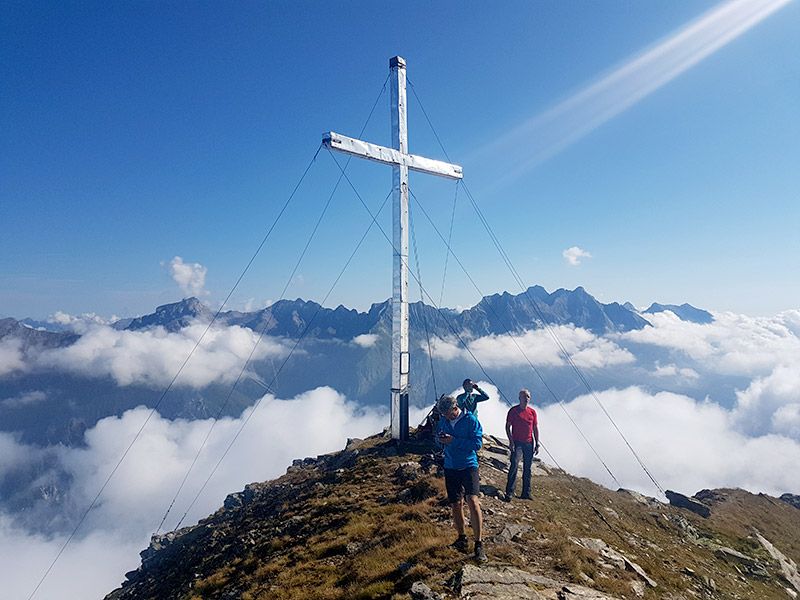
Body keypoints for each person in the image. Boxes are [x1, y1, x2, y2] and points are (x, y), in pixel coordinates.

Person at [435, 394, 487, 563]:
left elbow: (477, 444)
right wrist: (441, 439)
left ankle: (479, 544)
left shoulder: (470, 420)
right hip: (450, 466)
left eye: (447, 413)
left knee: (472, 500)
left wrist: (453, 441)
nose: (445, 416)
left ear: (454, 408)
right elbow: (439, 436)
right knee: (456, 503)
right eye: (443, 414)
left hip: (469, 465)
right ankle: (462, 538)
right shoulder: (443, 421)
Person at [504, 388, 540, 502]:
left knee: (527, 468)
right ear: (519, 398)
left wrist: (537, 443)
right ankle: (509, 492)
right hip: (517, 442)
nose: (526, 399)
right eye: (524, 397)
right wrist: (511, 441)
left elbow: (535, 428)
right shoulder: (513, 411)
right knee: (514, 465)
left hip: (529, 442)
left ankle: (526, 493)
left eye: (528, 397)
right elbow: (507, 426)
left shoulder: (532, 412)